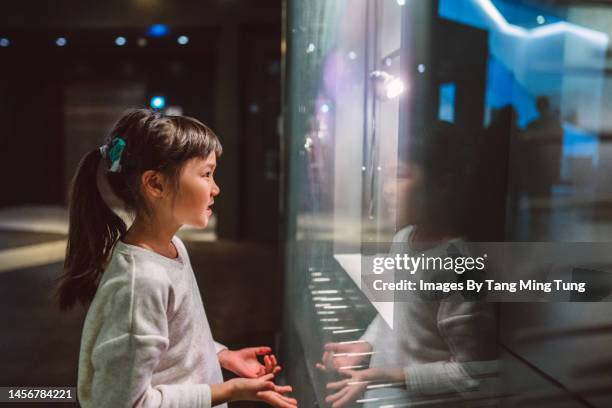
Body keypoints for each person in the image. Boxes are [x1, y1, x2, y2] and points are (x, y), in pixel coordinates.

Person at [56, 108, 297, 408]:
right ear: (155, 184)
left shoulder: (173, 248)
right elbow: (124, 403)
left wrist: (220, 355)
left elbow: (176, 341)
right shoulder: (141, 283)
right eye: (206, 174)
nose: (216, 188)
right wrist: (228, 391)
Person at [316, 122, 498, 407]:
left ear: (442, 184)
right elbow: (395, 314)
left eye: (400, 176)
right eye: (385, 177)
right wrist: (364, 346)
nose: (388, 190)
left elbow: (471, 373)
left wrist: (388, 375)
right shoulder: (403, 238)